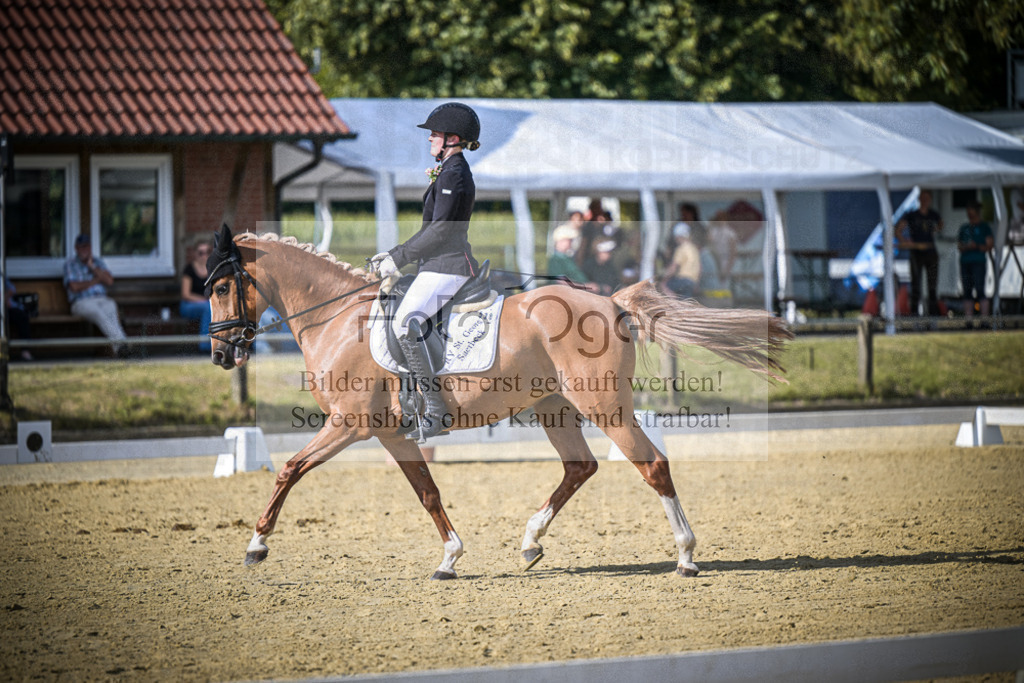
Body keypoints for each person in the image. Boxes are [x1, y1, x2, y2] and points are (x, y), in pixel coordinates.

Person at [369, 102, 481, 439]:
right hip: (435, 265)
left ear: (453, 138)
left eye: (435, 134)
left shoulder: (455, 173)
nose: (430, 138)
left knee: (406, 325)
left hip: (448, 265)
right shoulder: (448, 170)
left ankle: (435, 410)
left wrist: (398, 257)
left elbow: (440, 230)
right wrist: (394, 254)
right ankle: (408, 402)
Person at [63, 234, 127, 354]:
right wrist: (96, 280)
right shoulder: (70, 264)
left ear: (90, 247)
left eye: (87, 247)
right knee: (99, 313)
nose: (84, 250)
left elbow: (109, 280)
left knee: (111, 308)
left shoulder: (97, 262)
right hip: (81, 302)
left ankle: (120, 350)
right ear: (76, 248)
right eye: (81, 247)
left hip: (101, 299)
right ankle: (123, 344)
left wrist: (92, 267)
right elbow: (74, 287)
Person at [897, 189, 942, 316]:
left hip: (930, 252)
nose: (925, 201)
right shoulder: (912, 215)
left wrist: (935, 230)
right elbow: (898, 230)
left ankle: (933, 314)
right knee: (916, 285)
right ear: (919, 199)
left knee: (932, 286)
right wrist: (906, 241)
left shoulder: (933, 215)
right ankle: (914, 314)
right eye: (923, 198)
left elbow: (941, 224)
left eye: (927, 198)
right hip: (916, 253)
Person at [957, 200, 994, 319]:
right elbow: (959, 245)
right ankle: (968, 320)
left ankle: (984, 320)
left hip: (978, 262)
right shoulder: (964, 228)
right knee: (967, 291)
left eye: (971, 211)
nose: (969, 213)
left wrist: (976, 246)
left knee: (980, 290)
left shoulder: (984, 227)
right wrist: (966, 246)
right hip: (965, 262)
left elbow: (989, 246)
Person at [180, 237, 212, 352]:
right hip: (189, 305)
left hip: (208, 305)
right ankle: (205, 347)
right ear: (195, 254)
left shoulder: (213, 269)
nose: (204, 256)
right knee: (208, 308)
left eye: (207, 252)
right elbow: (185, 294)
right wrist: (204, 300)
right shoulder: (189, 269)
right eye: (201, 253)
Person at [547, 223, 596, 290]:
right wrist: (585, 286)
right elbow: (561, 282)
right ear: (561, 240)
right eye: (569, 240)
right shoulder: (556, 259)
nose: (571, 243)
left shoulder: (567, 258)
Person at [661, 222, 701, 299]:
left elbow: (673, 268)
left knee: (663, 285)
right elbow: (700, 268)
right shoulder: (694, 248)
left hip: (683, 280)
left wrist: (664, 277)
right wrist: (697, 283)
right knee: (685, 302)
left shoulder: (681, 249)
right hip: (692, 282)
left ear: (678, 236)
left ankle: (674, 302)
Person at [5, 278, 33, 360]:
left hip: (8, 307)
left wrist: (4, 297)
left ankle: (25, 350)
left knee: (22, 317)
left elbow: (12, 289)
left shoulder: (1, 276)